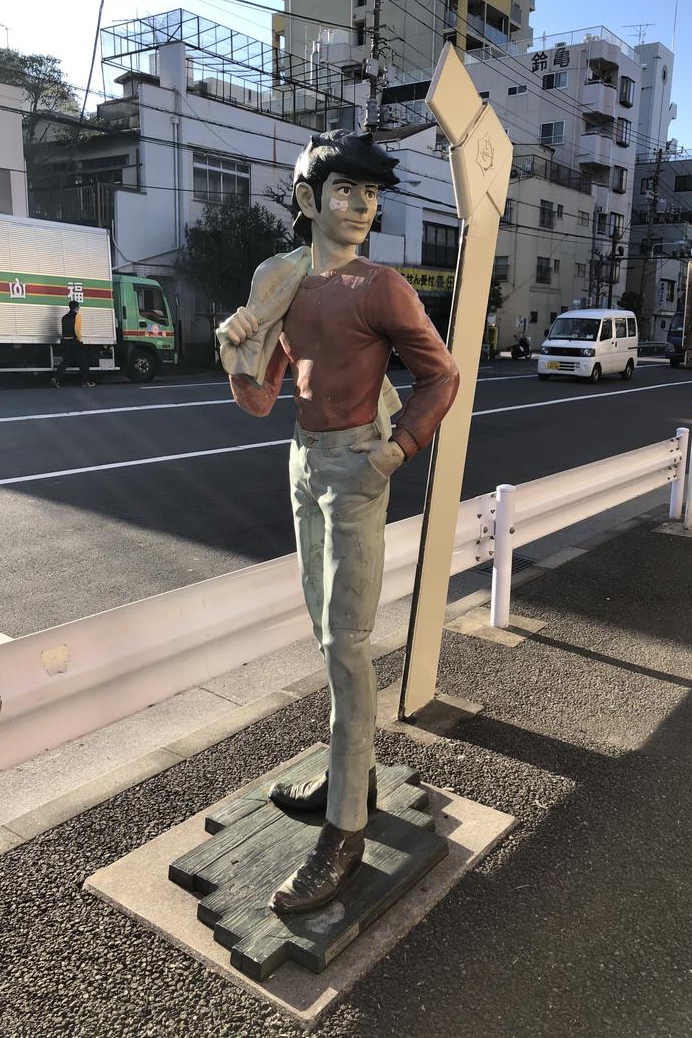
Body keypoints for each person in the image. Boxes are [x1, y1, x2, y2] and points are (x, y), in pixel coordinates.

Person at [218, 130, 460, 914]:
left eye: (371, 193)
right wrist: (234, 352)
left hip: (358, 465)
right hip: (303, 462)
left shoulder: (380, 287)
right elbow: (262, 397)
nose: (362, 206)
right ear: (309, 199)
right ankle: (347, 770)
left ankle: (346, 829)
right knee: (327, 633)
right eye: (347, 191)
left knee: (349, 645)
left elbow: (442, 373)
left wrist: (394, 452)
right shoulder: (279, 282)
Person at [52, 300, 95, 387]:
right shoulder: (77, 316)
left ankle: (56, 379)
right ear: (76, 307)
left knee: (66, 361)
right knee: (83, 361)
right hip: (74, 341)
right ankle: (85, 381)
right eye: (78, 307)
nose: (79, 308)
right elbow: (77, 330)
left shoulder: (64, 317)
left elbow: (63, 330)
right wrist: (79, 339)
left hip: (65, 341)